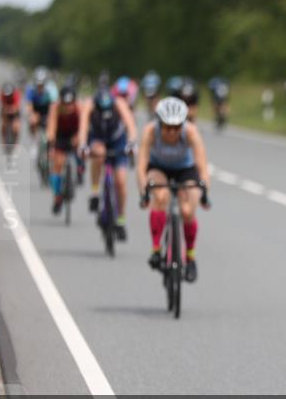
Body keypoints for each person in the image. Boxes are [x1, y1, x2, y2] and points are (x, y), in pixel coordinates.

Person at [136, 97, 210, 283]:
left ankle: (190, 257)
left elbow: (202, 166)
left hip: (185, 169)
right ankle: (156, 250)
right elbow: (141, 165)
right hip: (158, 167)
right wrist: (143, 193)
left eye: (177, 127)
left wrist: (204, 193)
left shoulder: (191, 132)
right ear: (159, 123)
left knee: (187, 210)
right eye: (167, 127)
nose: (172, 132)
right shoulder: (150, 131)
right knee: (160, 196)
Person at [79, 88, 138, 240]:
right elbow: (83, 127)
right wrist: (83, 145)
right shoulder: (89, 105)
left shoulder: (119, 103)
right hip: (98, 137)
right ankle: (94, 192)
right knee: (98, 154)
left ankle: (121, 219)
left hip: (117, 140)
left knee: (121, 181)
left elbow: (130, 125)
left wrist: (131, 143)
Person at [45, 86, 82, 214]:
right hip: (60, 137)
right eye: (65, 103)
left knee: (80, 148)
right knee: (58, 163)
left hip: (74, 135)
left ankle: (80, 169)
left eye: (70, 103)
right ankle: (57, 197)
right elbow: (51, 127)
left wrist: (79, 138)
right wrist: (51, 144)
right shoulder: (55, 108)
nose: (68, 106)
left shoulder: (79, 108)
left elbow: (83, 127)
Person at [24, 67, 59, 163]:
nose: (40, 86)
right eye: (38, 84)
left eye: (42, 84)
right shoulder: (30, 88)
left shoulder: (51, 88)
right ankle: (34, 142)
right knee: (33, 120)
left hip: (48, 110)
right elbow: (29, 105)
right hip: (36, 109)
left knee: (53, 126)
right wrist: (32, 115)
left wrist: (51, 118)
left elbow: (54, 106)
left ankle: (52, 147)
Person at [0, 82, 22, 148]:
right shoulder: (2, 95)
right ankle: (3, 141)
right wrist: (7, 110)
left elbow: (17, 108)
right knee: (3, 124)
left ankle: (16, 143)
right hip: (5, 111)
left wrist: (11, 110)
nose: (8, 97)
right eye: (7, 95)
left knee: (16, 126)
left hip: (15, 113)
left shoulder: (16, 94)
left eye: (9, 95)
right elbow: (2, 106)